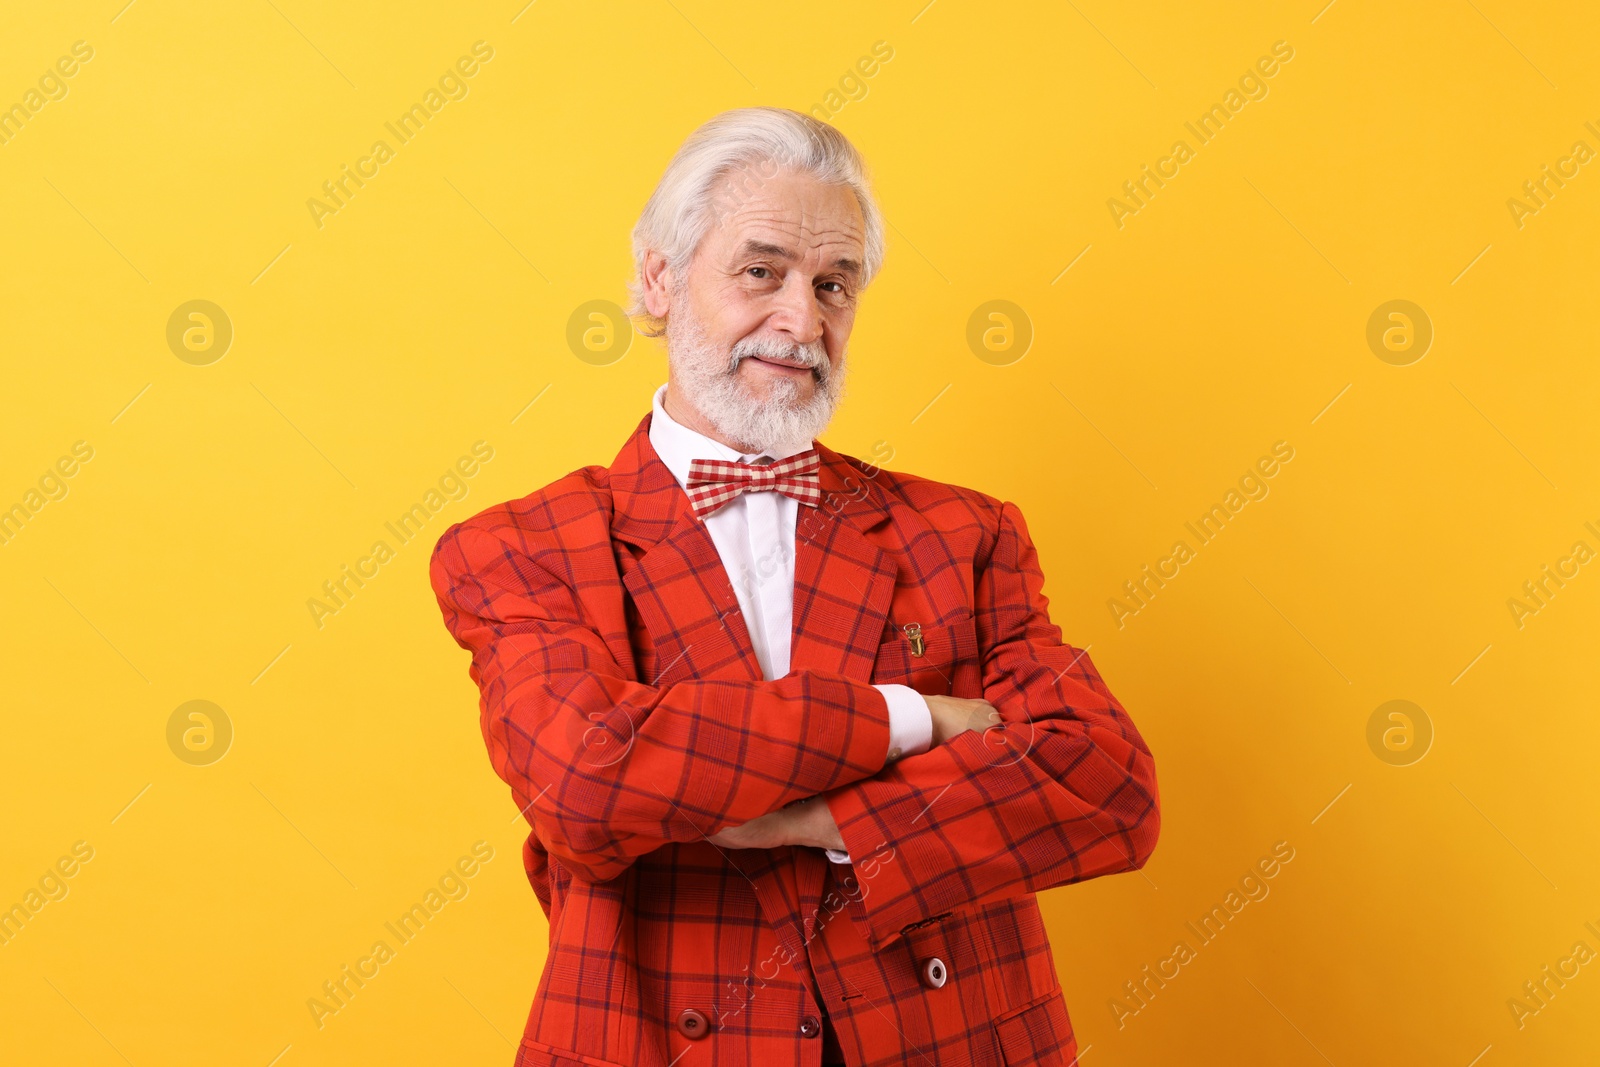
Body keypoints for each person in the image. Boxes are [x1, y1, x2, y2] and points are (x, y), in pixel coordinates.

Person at [430, 106, 1159, 1067]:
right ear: (658, 276)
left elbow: (1105, 785)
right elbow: (586, 782)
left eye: (834, 284)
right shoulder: (522, 545)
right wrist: (917, 719)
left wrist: (812, 818)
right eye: (761, 271)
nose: (802, 320)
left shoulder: (964, 531)